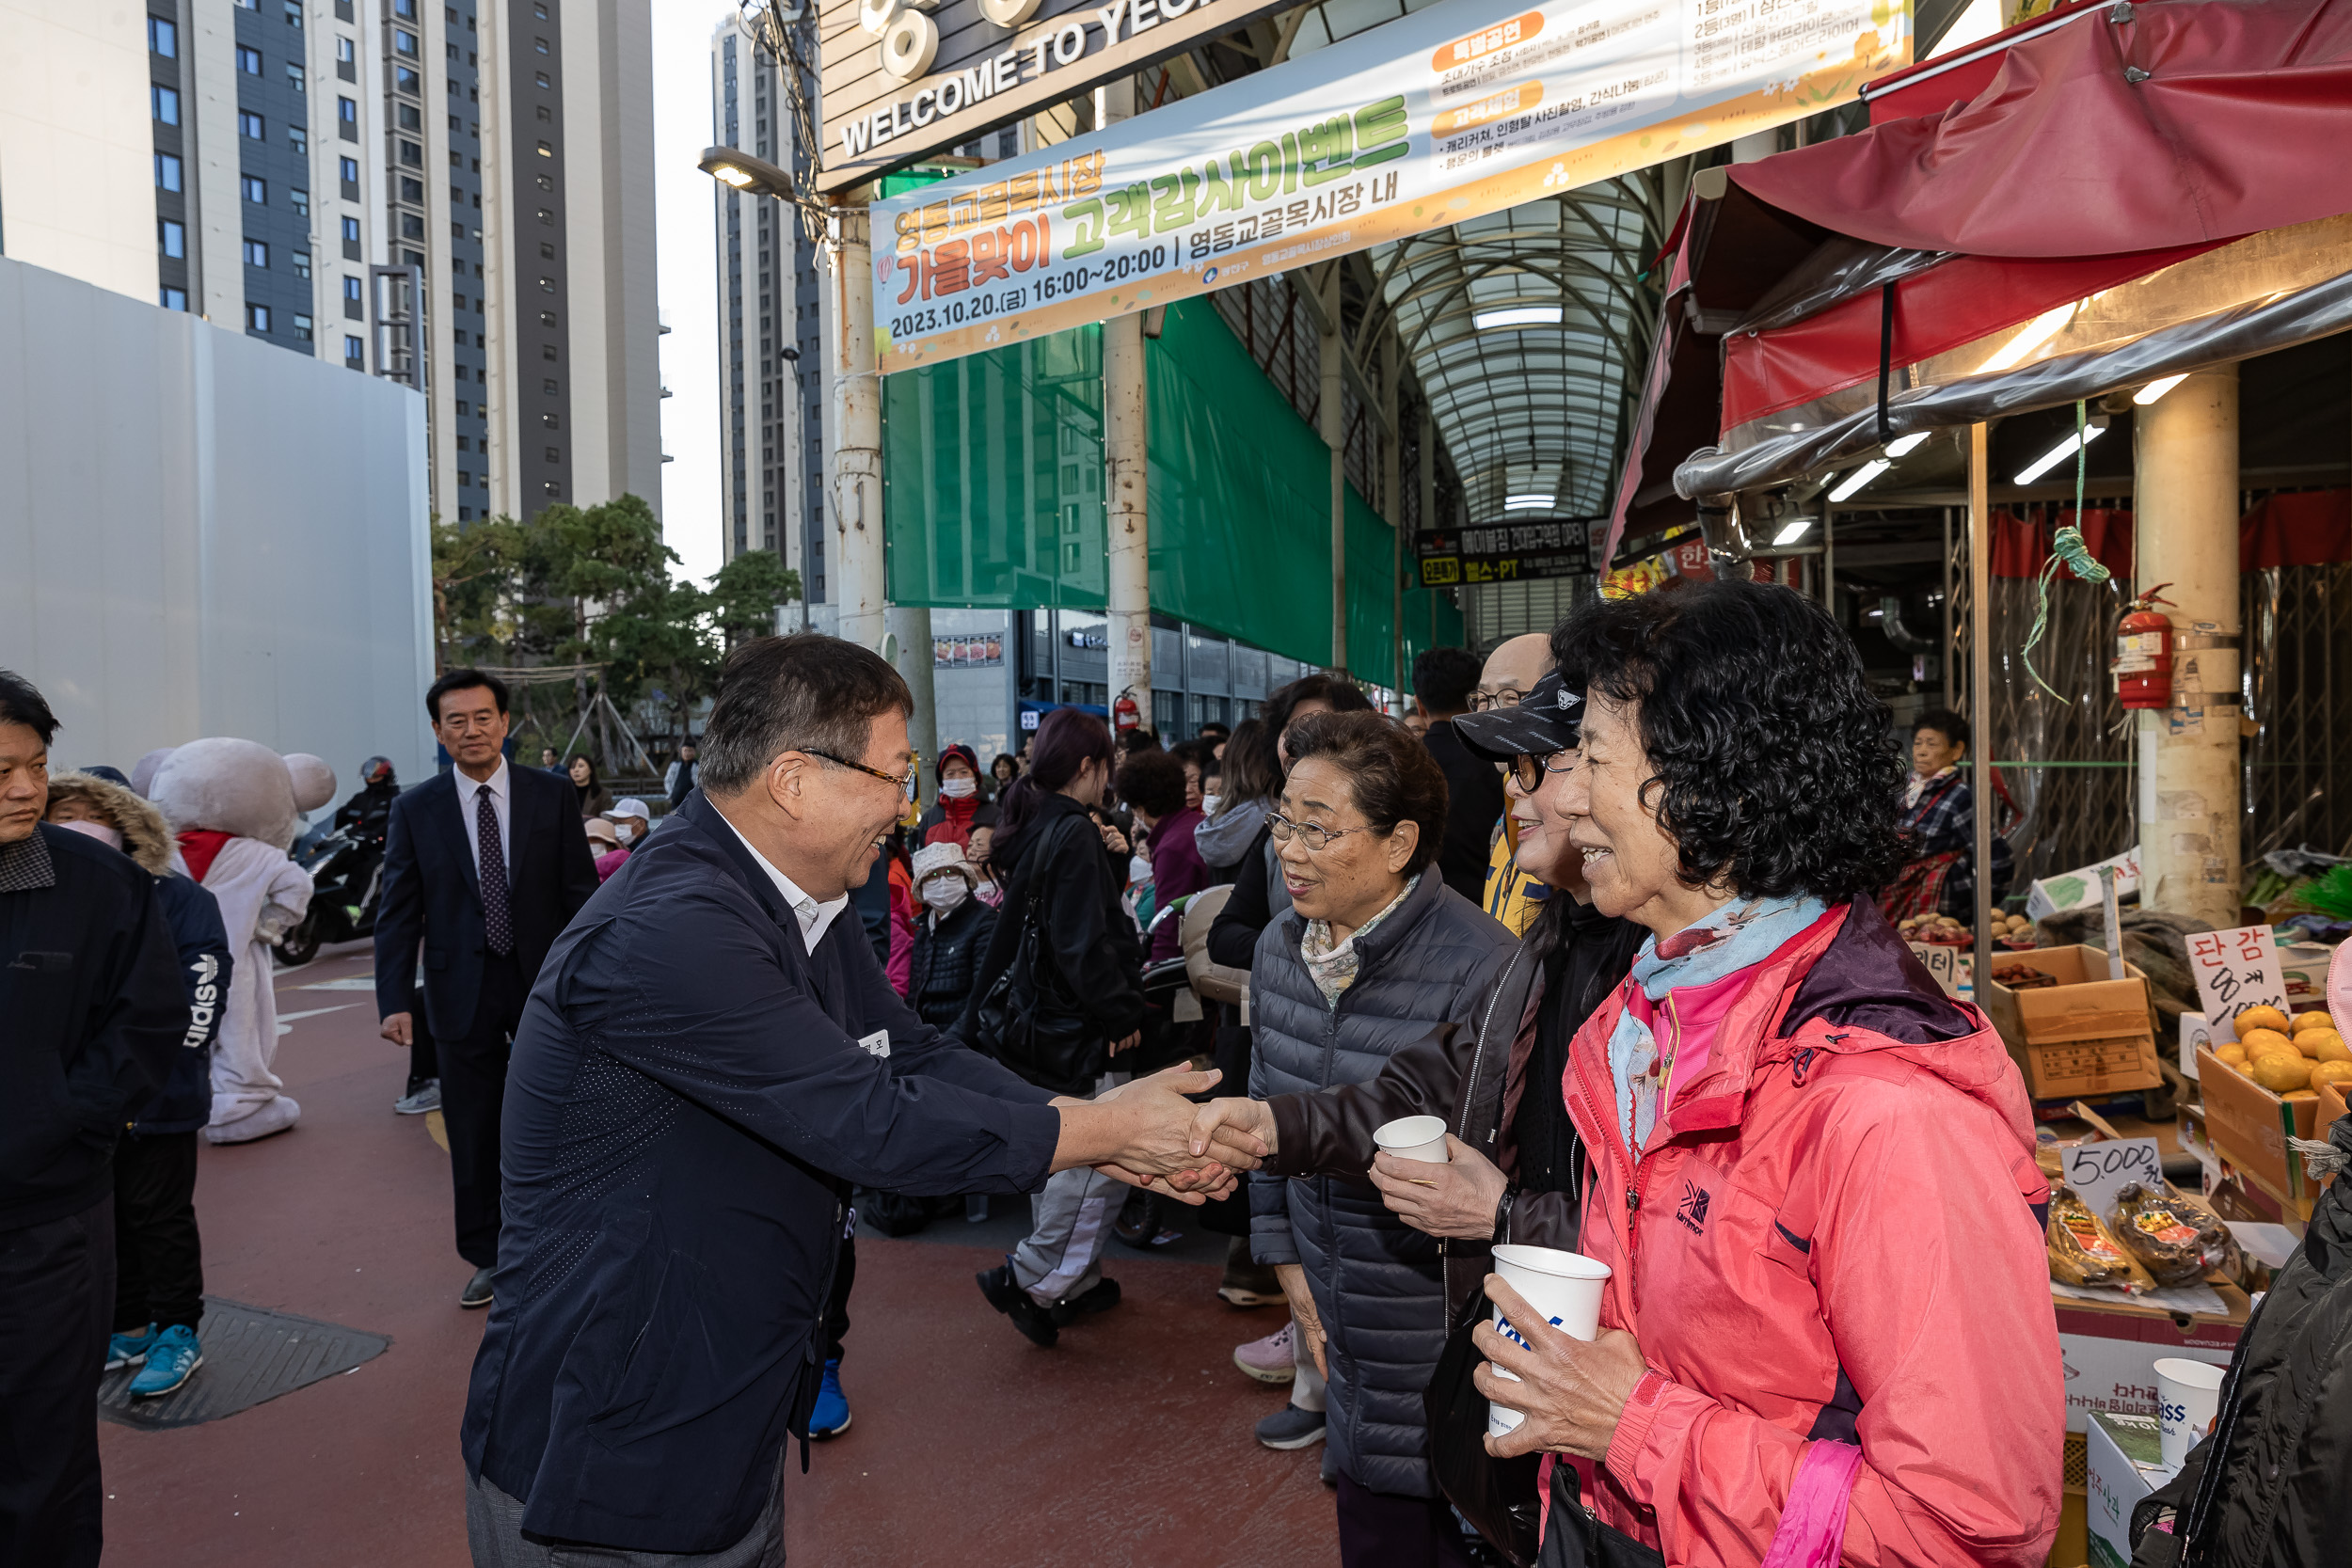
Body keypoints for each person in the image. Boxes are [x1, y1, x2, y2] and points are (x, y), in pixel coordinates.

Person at [1213, 581, 2064, 1566]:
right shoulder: (1638, 1024)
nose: (1561, 795)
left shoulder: (1884, 1110)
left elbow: (1967, 1525)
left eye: (1594, 761)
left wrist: (1629, 1418)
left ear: (1718, 787)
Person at [458, 634, 1228, 1563]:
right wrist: (1100, 1125)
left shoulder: (793, 899)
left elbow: (908, 1052)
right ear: (793, 778)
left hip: (717, 1401)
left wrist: (1096, 1135)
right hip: (612, 1439)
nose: (906, 807)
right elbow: (872, 1121)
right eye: (893, 775)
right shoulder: (671, 933)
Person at [1241, 708, 1516, 1556]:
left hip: (1436, 1328)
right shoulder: (1280, 948)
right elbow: (1265, 1110)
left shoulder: (1485, 966)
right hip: (1336, 1316)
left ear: (1399, 844)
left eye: (1318, 830)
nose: (1289, 848)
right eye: (1284, 820)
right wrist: (1284, 1258)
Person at [0, 673, 185, 1567]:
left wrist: (64, 1118)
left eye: (36, 765)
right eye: (2, 770)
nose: (27, 788)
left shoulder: (101, 883)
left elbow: (148, 1023)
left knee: (45, 1449)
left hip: (49, 1223)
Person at [374, 670, 599, 1309]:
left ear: (504, 722)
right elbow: (398, 909)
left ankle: (560, 1239)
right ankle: (489, 1255)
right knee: (471, 1129)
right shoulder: (415, 808)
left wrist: (592, 978)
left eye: (482, 717)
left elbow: (581, 895)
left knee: (556, 1115)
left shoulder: (551, 795)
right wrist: (393, 998)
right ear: (438, 731)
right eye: (456, 721)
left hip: (544, 985)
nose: (470, 730)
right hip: (458, 989)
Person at [959, 706, 1151, 1348]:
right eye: (1108, 764)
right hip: (1078, 1026)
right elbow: (1082, 944)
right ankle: (1033, 1278)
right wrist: (1123, 1011)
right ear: (1090, 766)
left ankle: (1076, 1279)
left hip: (1040, 1026)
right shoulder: (1074, 834)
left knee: (1063, 1155)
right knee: (1100, 1163)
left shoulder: (1042, 825)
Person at [46, 771, 237, 1402]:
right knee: (108, 1215)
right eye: (63, 813)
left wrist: (151, 1071)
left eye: (90, 814)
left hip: (161, 1095)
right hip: (80, 1099)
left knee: (160, 1215)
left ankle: (177, 1326)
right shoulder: (49, 894)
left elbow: (202, 991)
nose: (77, 826)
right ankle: (125, 1326)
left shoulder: (180, 899)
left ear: (127, 823)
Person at [1881, 706, 2013, 925]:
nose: (1921, 751)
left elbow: (1998, 859)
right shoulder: (1904, 791)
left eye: (1931, 744)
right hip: (1898, 904)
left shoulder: (1961, 797)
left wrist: (1969, 905)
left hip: (1942, 915)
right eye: (1918, 743)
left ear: (1956, 750)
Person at [1476, 633, 1557, 936]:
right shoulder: (1505, 819)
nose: (1489, 714)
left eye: (1510, 697)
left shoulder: (1571, 823)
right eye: (1482, 699)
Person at [1413, 647, 1505, 906]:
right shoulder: (1500, 762)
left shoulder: (1399, 764)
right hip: (1491, 908)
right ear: (1474, 698)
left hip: (1417, 911)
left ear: (1420, 705)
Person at [1118, 748, 1207, 963]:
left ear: (1141, 808)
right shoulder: (1194, 825)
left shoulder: (1171, 848)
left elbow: (1169, 924)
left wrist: (1154, 980)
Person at [907, 840, 998, 1031]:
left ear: (965, 877)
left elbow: (983, 997)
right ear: (922, 888)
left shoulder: (985, 921)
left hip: (966, 1041)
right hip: (927, 1038)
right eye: (932, 876)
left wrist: (949, 1043)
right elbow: (914, 996)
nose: (942, 881)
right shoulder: (924, 930)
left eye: (950, 872)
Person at [915, 742, 999, 850]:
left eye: (964, 772)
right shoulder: (929, 819)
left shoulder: (995, 816)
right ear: (942, 780)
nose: (957, 778)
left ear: (975, 777)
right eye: (950, 773)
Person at [334, 755, 400, 847]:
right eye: (369, 777)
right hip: (357, 846)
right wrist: (317, 831)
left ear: (387, 776)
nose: (372, 780)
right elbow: (340, 816)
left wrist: (373, 835)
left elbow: (393, 825)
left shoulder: (396, 799)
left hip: (382, 849)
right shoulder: (360, 798)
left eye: (376, 777)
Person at [566, 753, 611, 819]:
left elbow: (607, 819)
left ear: (590, 769)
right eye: (572, 767)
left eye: (580, 766)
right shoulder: (564, 792)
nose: (576, 770)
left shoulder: (603, 793)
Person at [585, 816, 628, 882]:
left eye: (595, 839)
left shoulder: (621, 868)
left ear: (611, 846)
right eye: (586, 840)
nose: (590, 844)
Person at [664, 737, 699, 808]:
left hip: (692, 801)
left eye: (690, 751)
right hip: (676, 800)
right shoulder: (674, 765)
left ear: (694, 752)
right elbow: (667, 780)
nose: (687, 753)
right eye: (685, 750)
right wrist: (671, 793)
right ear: (681, 751)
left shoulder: (698, 766)